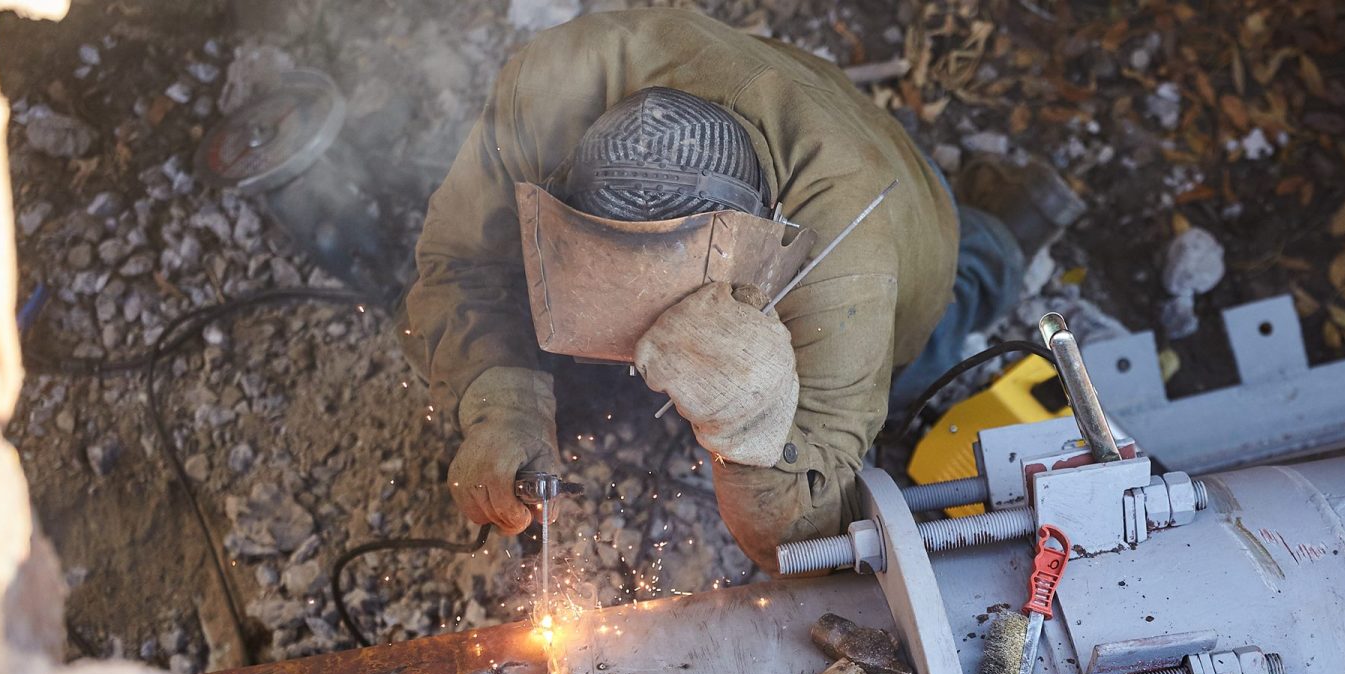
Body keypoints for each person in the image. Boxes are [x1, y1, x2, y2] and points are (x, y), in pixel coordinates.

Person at [403, 8, 1081, 570]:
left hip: (893, 193)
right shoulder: (551, 86)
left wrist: (757, 436)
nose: (637, 358)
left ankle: (1008, 227)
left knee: (937, 326)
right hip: (782, 88)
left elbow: (815, 544)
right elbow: (460, 256)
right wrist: (500, 402)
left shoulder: (847, 260)